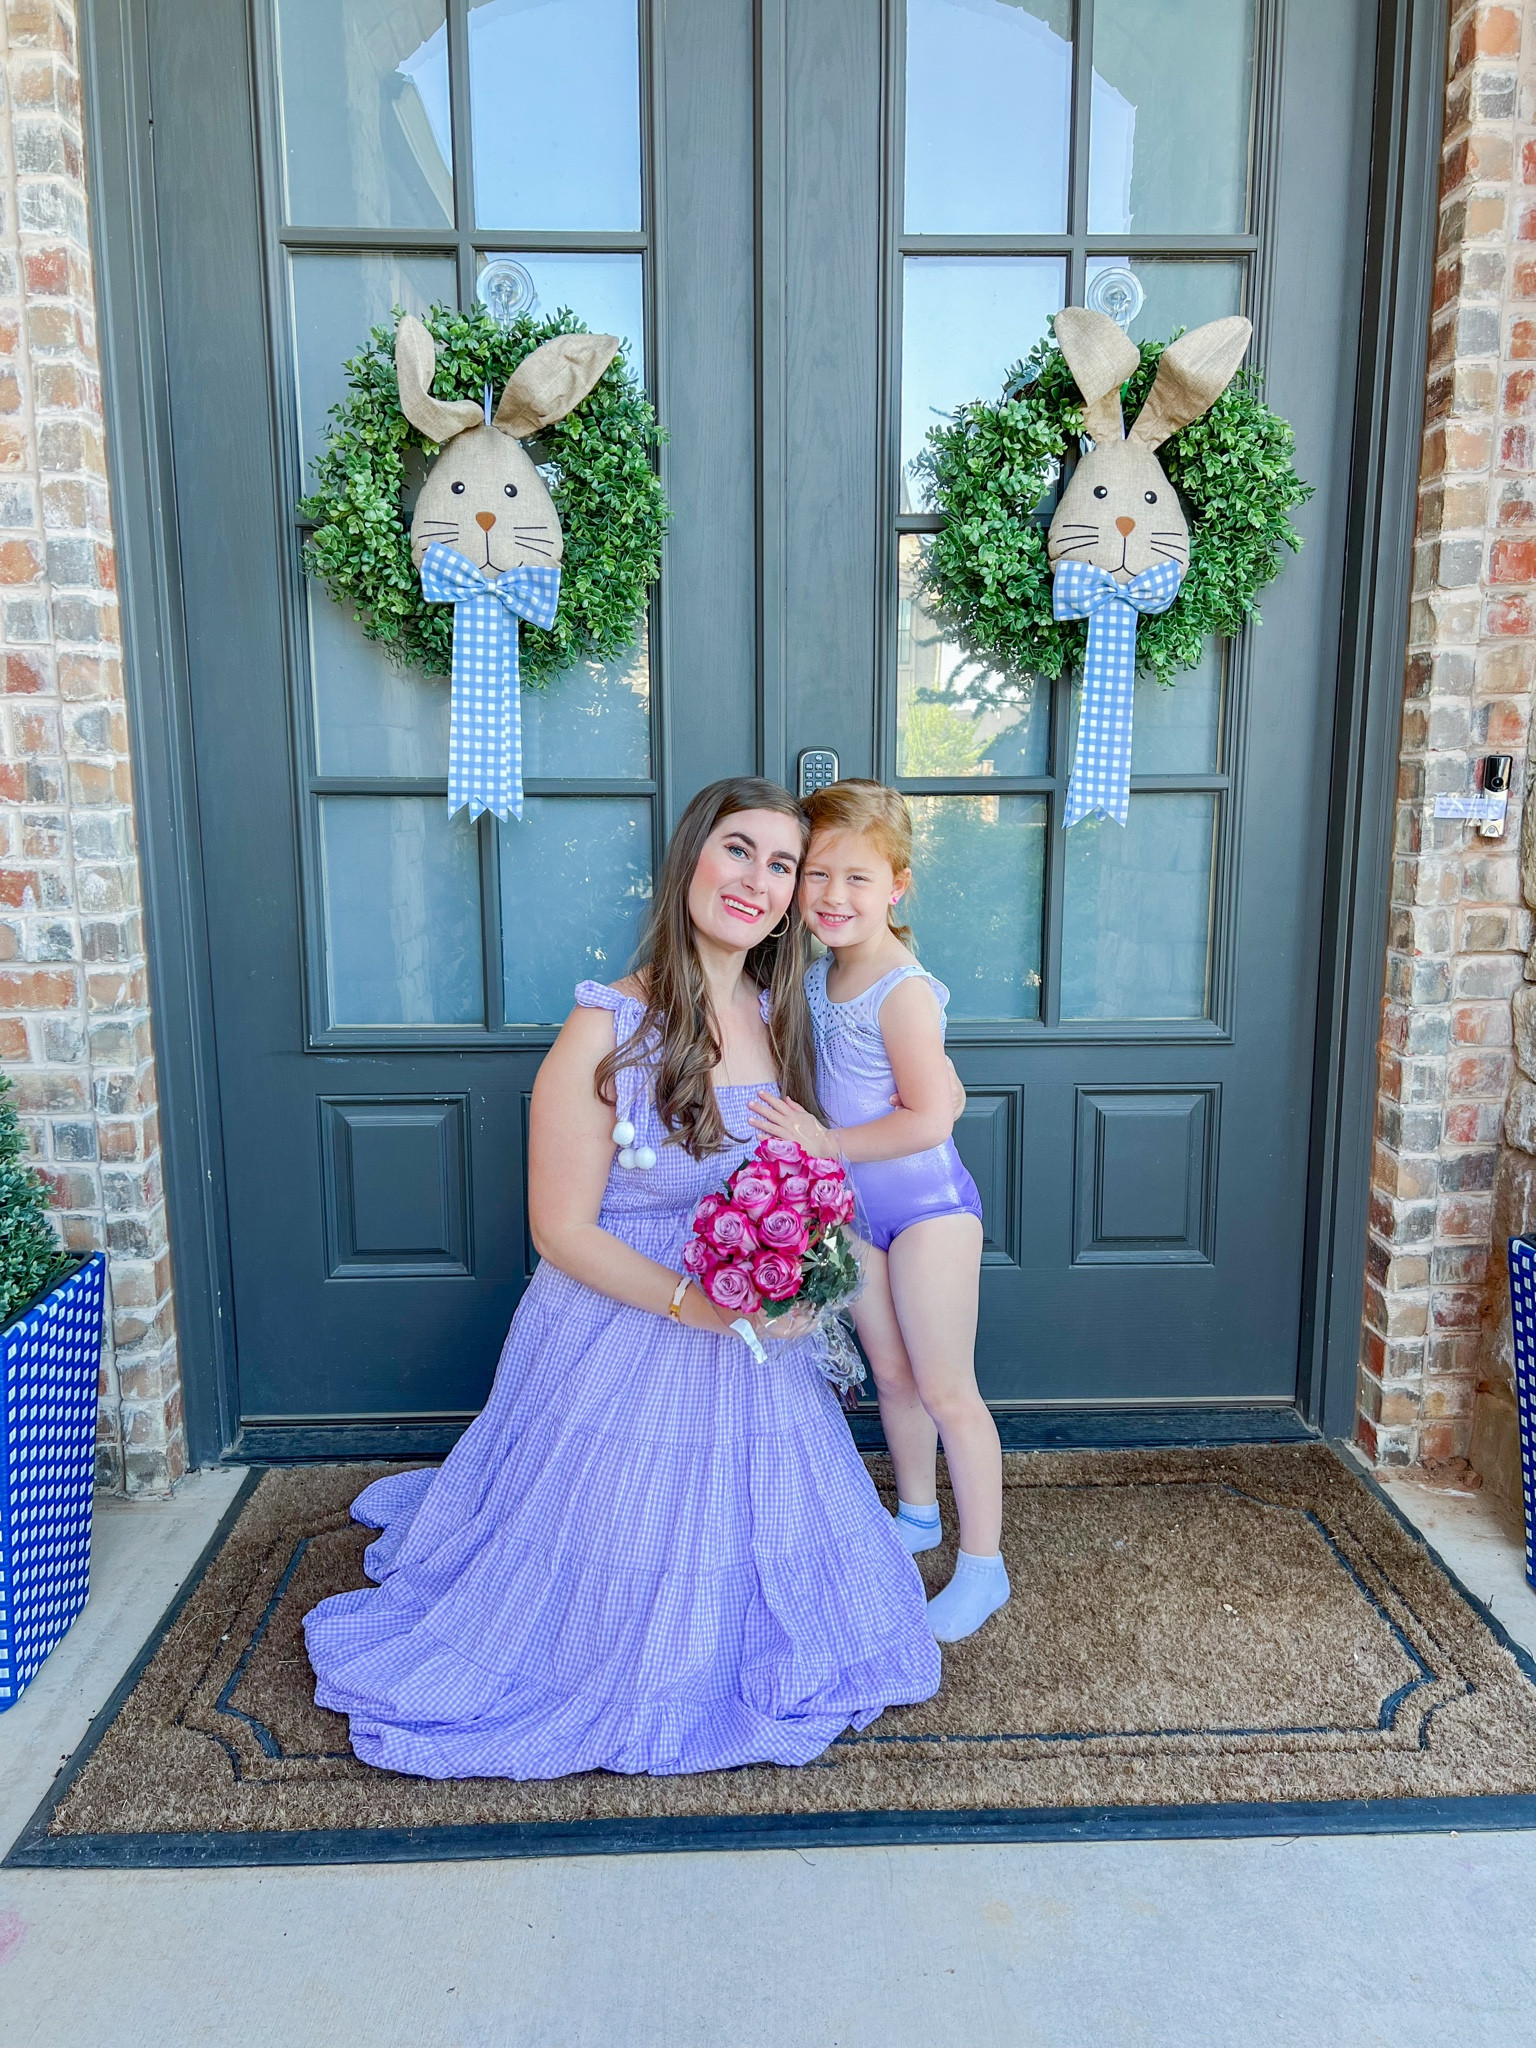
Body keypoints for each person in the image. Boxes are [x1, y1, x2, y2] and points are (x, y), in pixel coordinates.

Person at [303, 776, 940, 1778]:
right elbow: (560, 1230)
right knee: (602, 1582)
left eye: (783, 865)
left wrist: (797, 1266)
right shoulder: (604, 1028)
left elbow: (812, 1159)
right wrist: (705, 1302)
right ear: (690, 856)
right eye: (739, 850)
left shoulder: (783, 1014)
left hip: (755, 1337)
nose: (759, 880)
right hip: (627, 1323)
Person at [749, 779, 1008, 1643]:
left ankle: (984, 1567)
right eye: (817, 876)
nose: (832, 897)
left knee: (945, 1386)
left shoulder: (900, 987)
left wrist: (825, 1143)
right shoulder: (823, 975)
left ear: (896, 886)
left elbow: (931, 1117)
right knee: (890, 1376)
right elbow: (948, 1091)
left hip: (930, 1211)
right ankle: (918, 1517)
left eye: (857, 879)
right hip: (859, 1216)